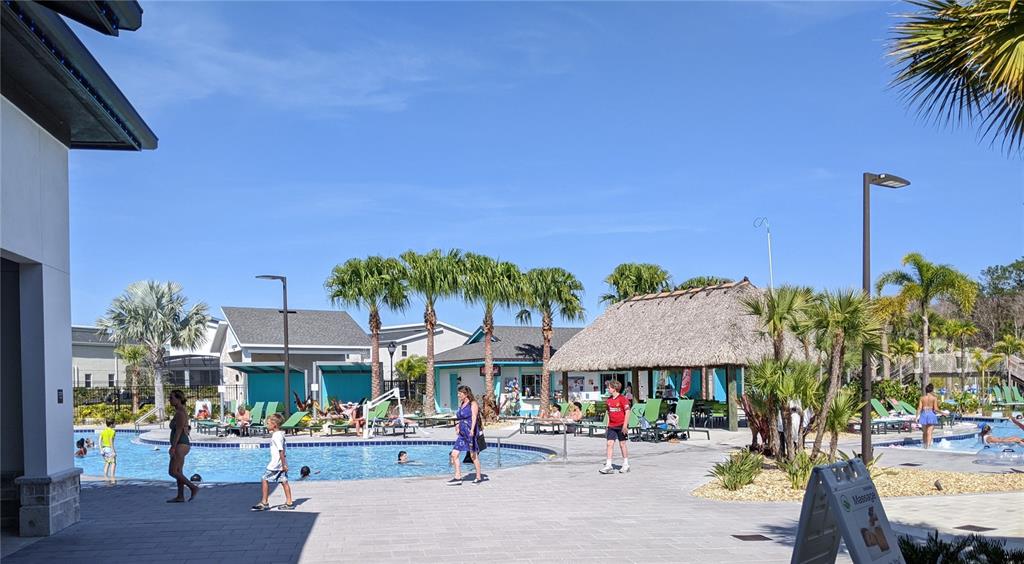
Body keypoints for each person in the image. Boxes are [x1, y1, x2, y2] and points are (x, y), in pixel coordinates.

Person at [252, 413, 295, 510]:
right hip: (281, 463)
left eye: (268, 423)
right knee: (284, 481)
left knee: (264, 479)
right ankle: (289, 503)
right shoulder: (280, 434)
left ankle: (264, 502)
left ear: (274, 424)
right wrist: (284, 464)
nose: (267, 425)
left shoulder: (276, 436)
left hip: (276, 464)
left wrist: (284, 464)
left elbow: (281, 450)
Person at [167, 389, 199, 502]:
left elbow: (179, 431)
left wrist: (173, 447)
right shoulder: (180, 411)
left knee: (173, 471)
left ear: (179, 399)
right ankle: (180, 496)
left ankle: (193, 487)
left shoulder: (180, 412)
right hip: (182, 444)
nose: (169, 400)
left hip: (181, 444)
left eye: (172, 398)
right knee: (178, 471)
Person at [448, 385, 483, 485]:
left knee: (473, 456)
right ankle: (458, 477)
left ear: (466, 394)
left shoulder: (473, 403)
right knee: (454, 454)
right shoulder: (462, 404)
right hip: (462, 433)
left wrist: (472, 430)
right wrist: (457, 425)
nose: (458, 395)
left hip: (470, 432)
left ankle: (478, 477)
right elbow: (459, 418)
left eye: (460, 393)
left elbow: (474, 417)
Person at [600, 380, 630, 474]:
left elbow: (628, 412)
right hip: (612, 426)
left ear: (614, 388)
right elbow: (608, 413)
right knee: (609, 444)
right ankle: (609, 465)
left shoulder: (622, 399)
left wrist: (625, 425)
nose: (608, 389)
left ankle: (626, 464)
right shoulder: (608, 400)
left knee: (622, 444)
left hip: (621, 425)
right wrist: (607, 425)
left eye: (609, 387)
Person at [916, 384, 940, 449]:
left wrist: (916, 417)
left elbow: (919, 408)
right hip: (931, 414)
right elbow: (936, 409)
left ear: (925, 390)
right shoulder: (934, 398)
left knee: (924, 432)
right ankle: (928, 447)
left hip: (923, 414)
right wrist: (943, 413)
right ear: (932, 390)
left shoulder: (922, 398)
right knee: (929, 432)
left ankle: (924, 445)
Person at [100, 418, 117, 482]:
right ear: (111, 425)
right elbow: (111, 441)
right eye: (115, 423)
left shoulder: (103, 431)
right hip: (110, 448)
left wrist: (101, 449)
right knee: (113, 463)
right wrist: (113, 451)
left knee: (107, 462)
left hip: (104, 449)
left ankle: (105, 476)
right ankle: (112, 477)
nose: (115, 424)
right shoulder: (113, 431)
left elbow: (99, 440)